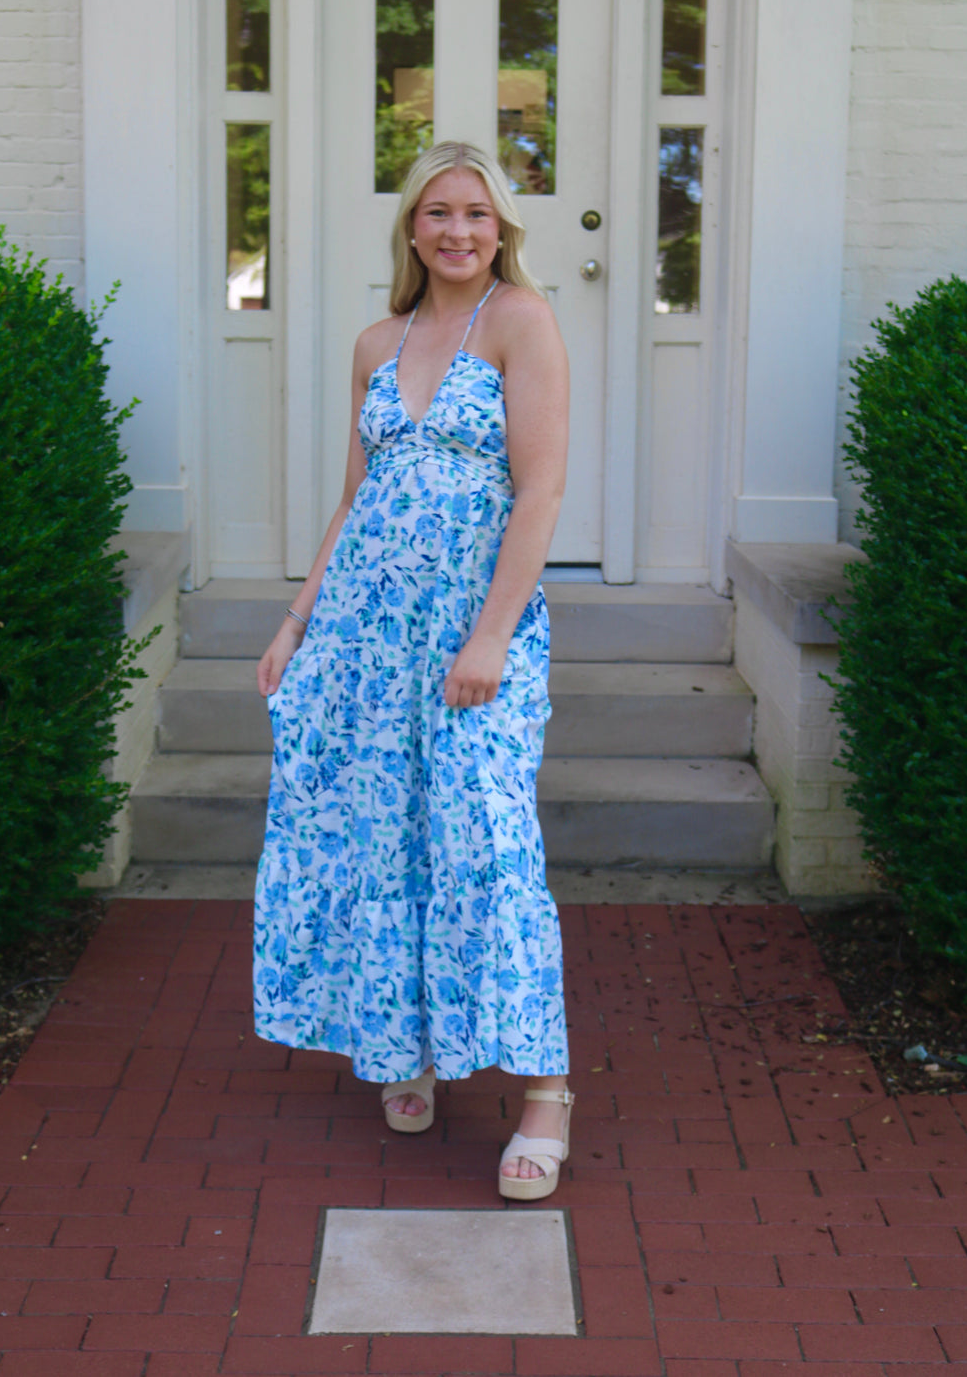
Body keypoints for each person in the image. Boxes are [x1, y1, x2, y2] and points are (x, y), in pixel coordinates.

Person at [253, 140, 573, 1199]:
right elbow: (355, 500)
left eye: (477, 214)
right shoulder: (375, 342)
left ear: (503, 229)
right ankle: (408, 1047)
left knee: (487, 842)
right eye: (438, 212)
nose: (458, 231)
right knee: (382, 838)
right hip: (364, 638)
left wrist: (491, 634)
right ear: (411, 227)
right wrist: (297, 622)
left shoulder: (523, 325)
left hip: (472, 634)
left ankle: (543, 1094)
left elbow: (538, 493)